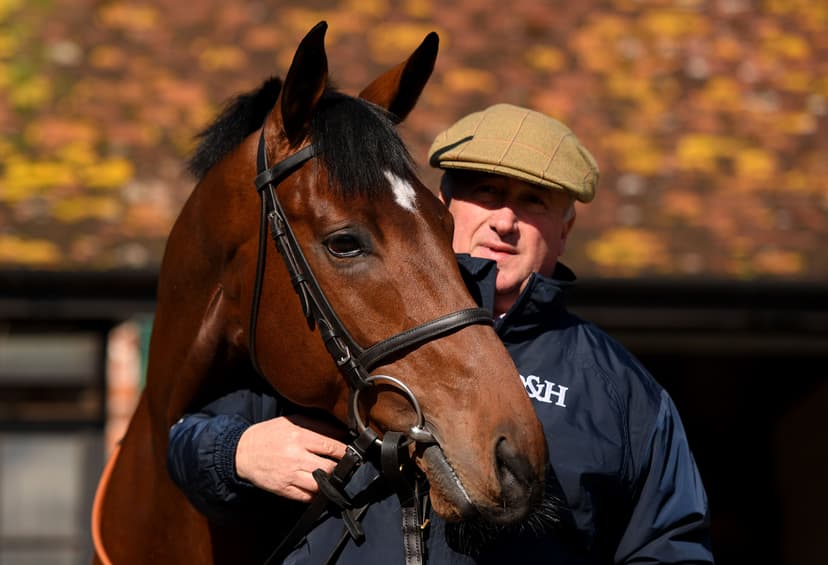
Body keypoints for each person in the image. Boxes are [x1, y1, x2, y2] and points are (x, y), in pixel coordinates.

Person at [167, 104, 714, 563]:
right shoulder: (355, 312)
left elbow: (668, 545)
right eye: (487, 191)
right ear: (442, 205)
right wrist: (235, 451)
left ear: (565, 230)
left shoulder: (622, 392)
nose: (505, 220)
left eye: (534, 201)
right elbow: (183, 440)